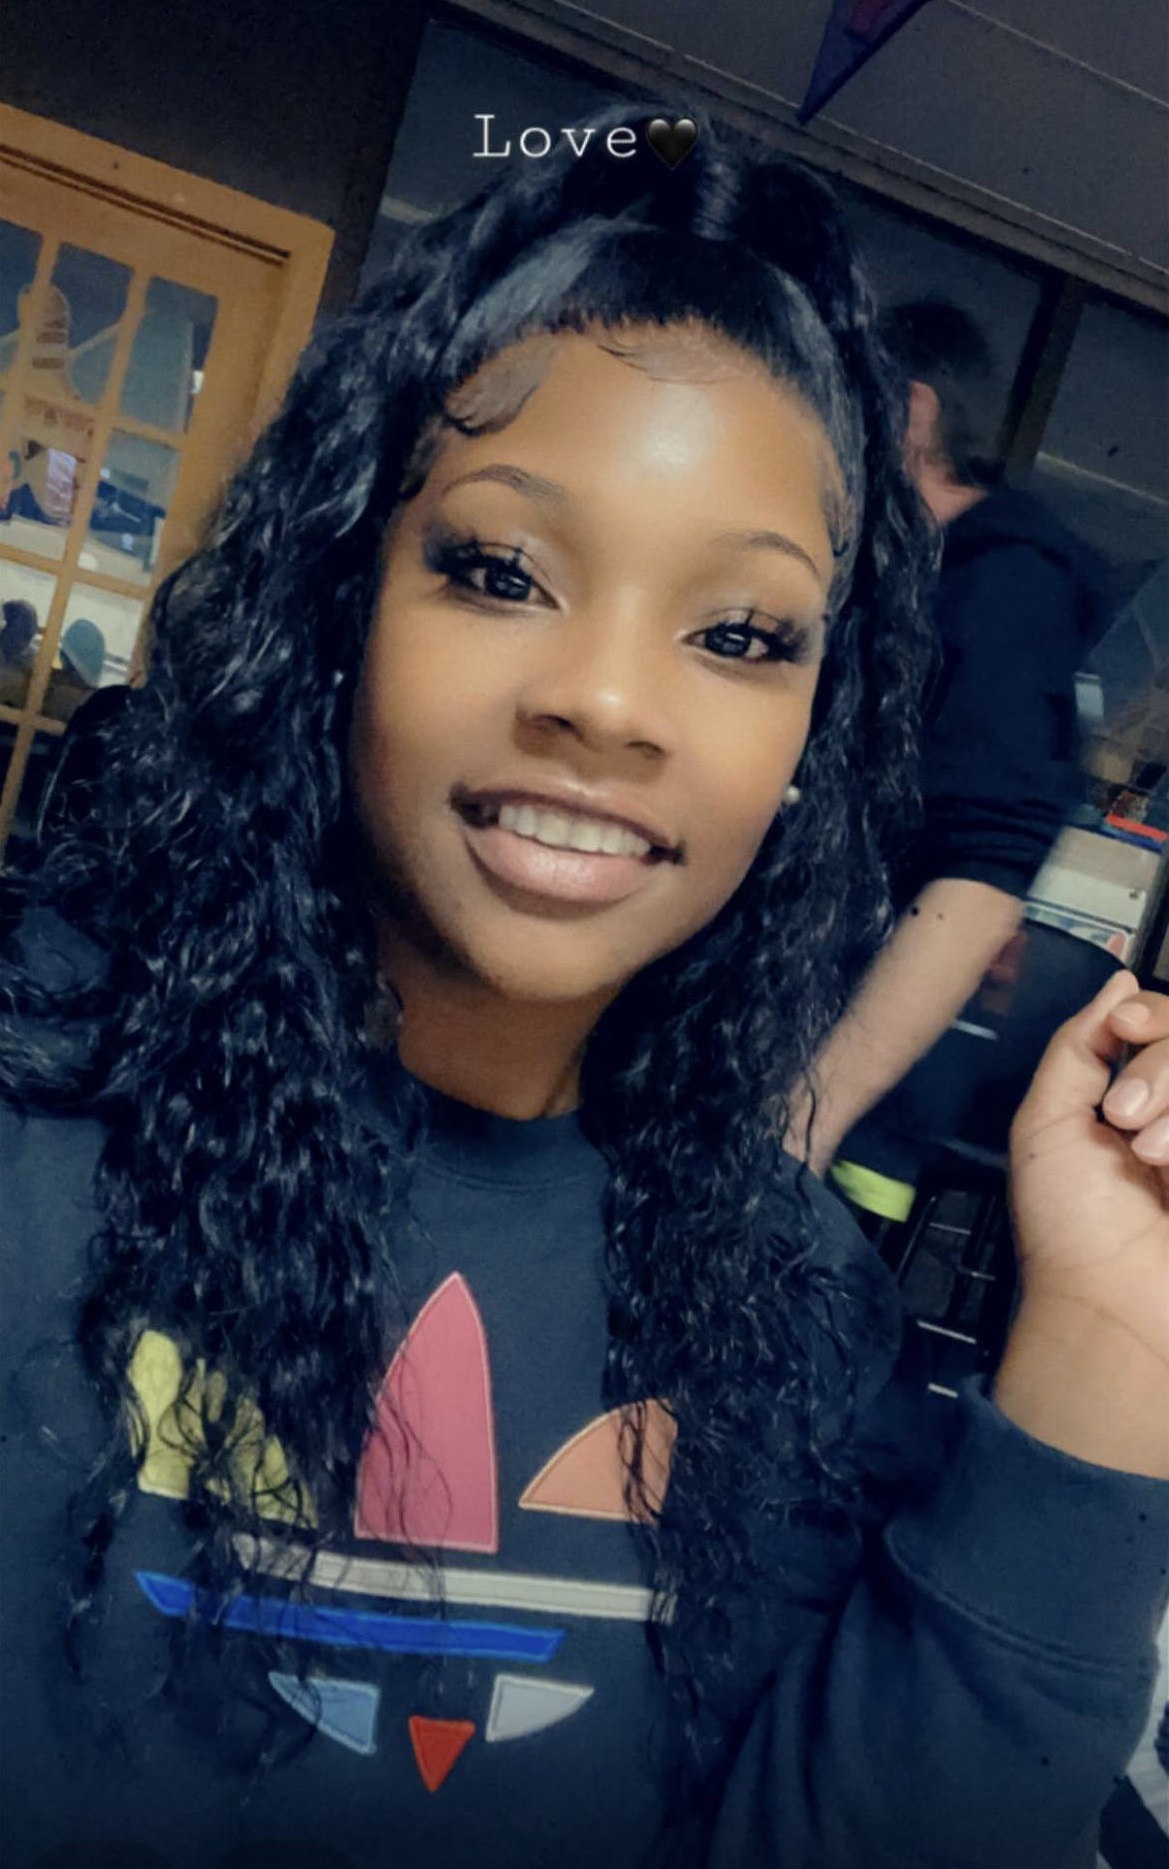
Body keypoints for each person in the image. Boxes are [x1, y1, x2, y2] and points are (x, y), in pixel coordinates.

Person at [0, 109, 1165, 1869]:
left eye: (738, 633)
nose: (607, 703)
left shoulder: (784, 1304)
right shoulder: (37, 1142)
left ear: (810, 735)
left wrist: (1113, 1340)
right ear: (341, 610)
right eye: (496, 570)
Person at [793, 298, 1112, 1204]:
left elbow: (982, 869)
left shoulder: (1006, 588)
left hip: (849, 1092)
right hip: (813, 1043)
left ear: (910, 412)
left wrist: (799, 1126)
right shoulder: (915, 582)